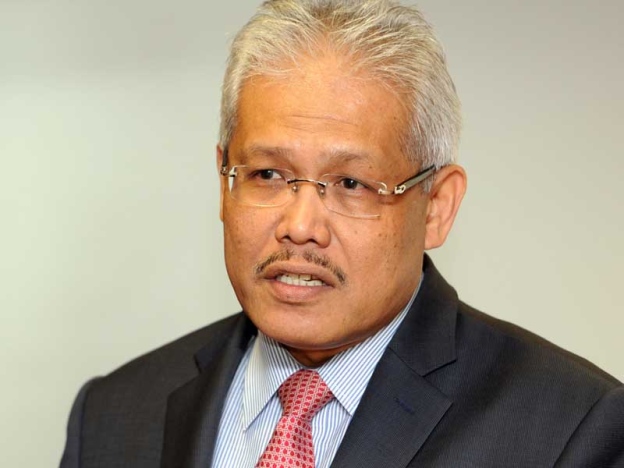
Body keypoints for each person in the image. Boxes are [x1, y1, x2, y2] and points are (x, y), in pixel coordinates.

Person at [60, 1, 624, 467]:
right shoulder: (113, 416)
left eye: (351, 183)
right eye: (268, 175)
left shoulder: (570, 431)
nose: (300, 227)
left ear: (436, 207)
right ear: (224, 181)